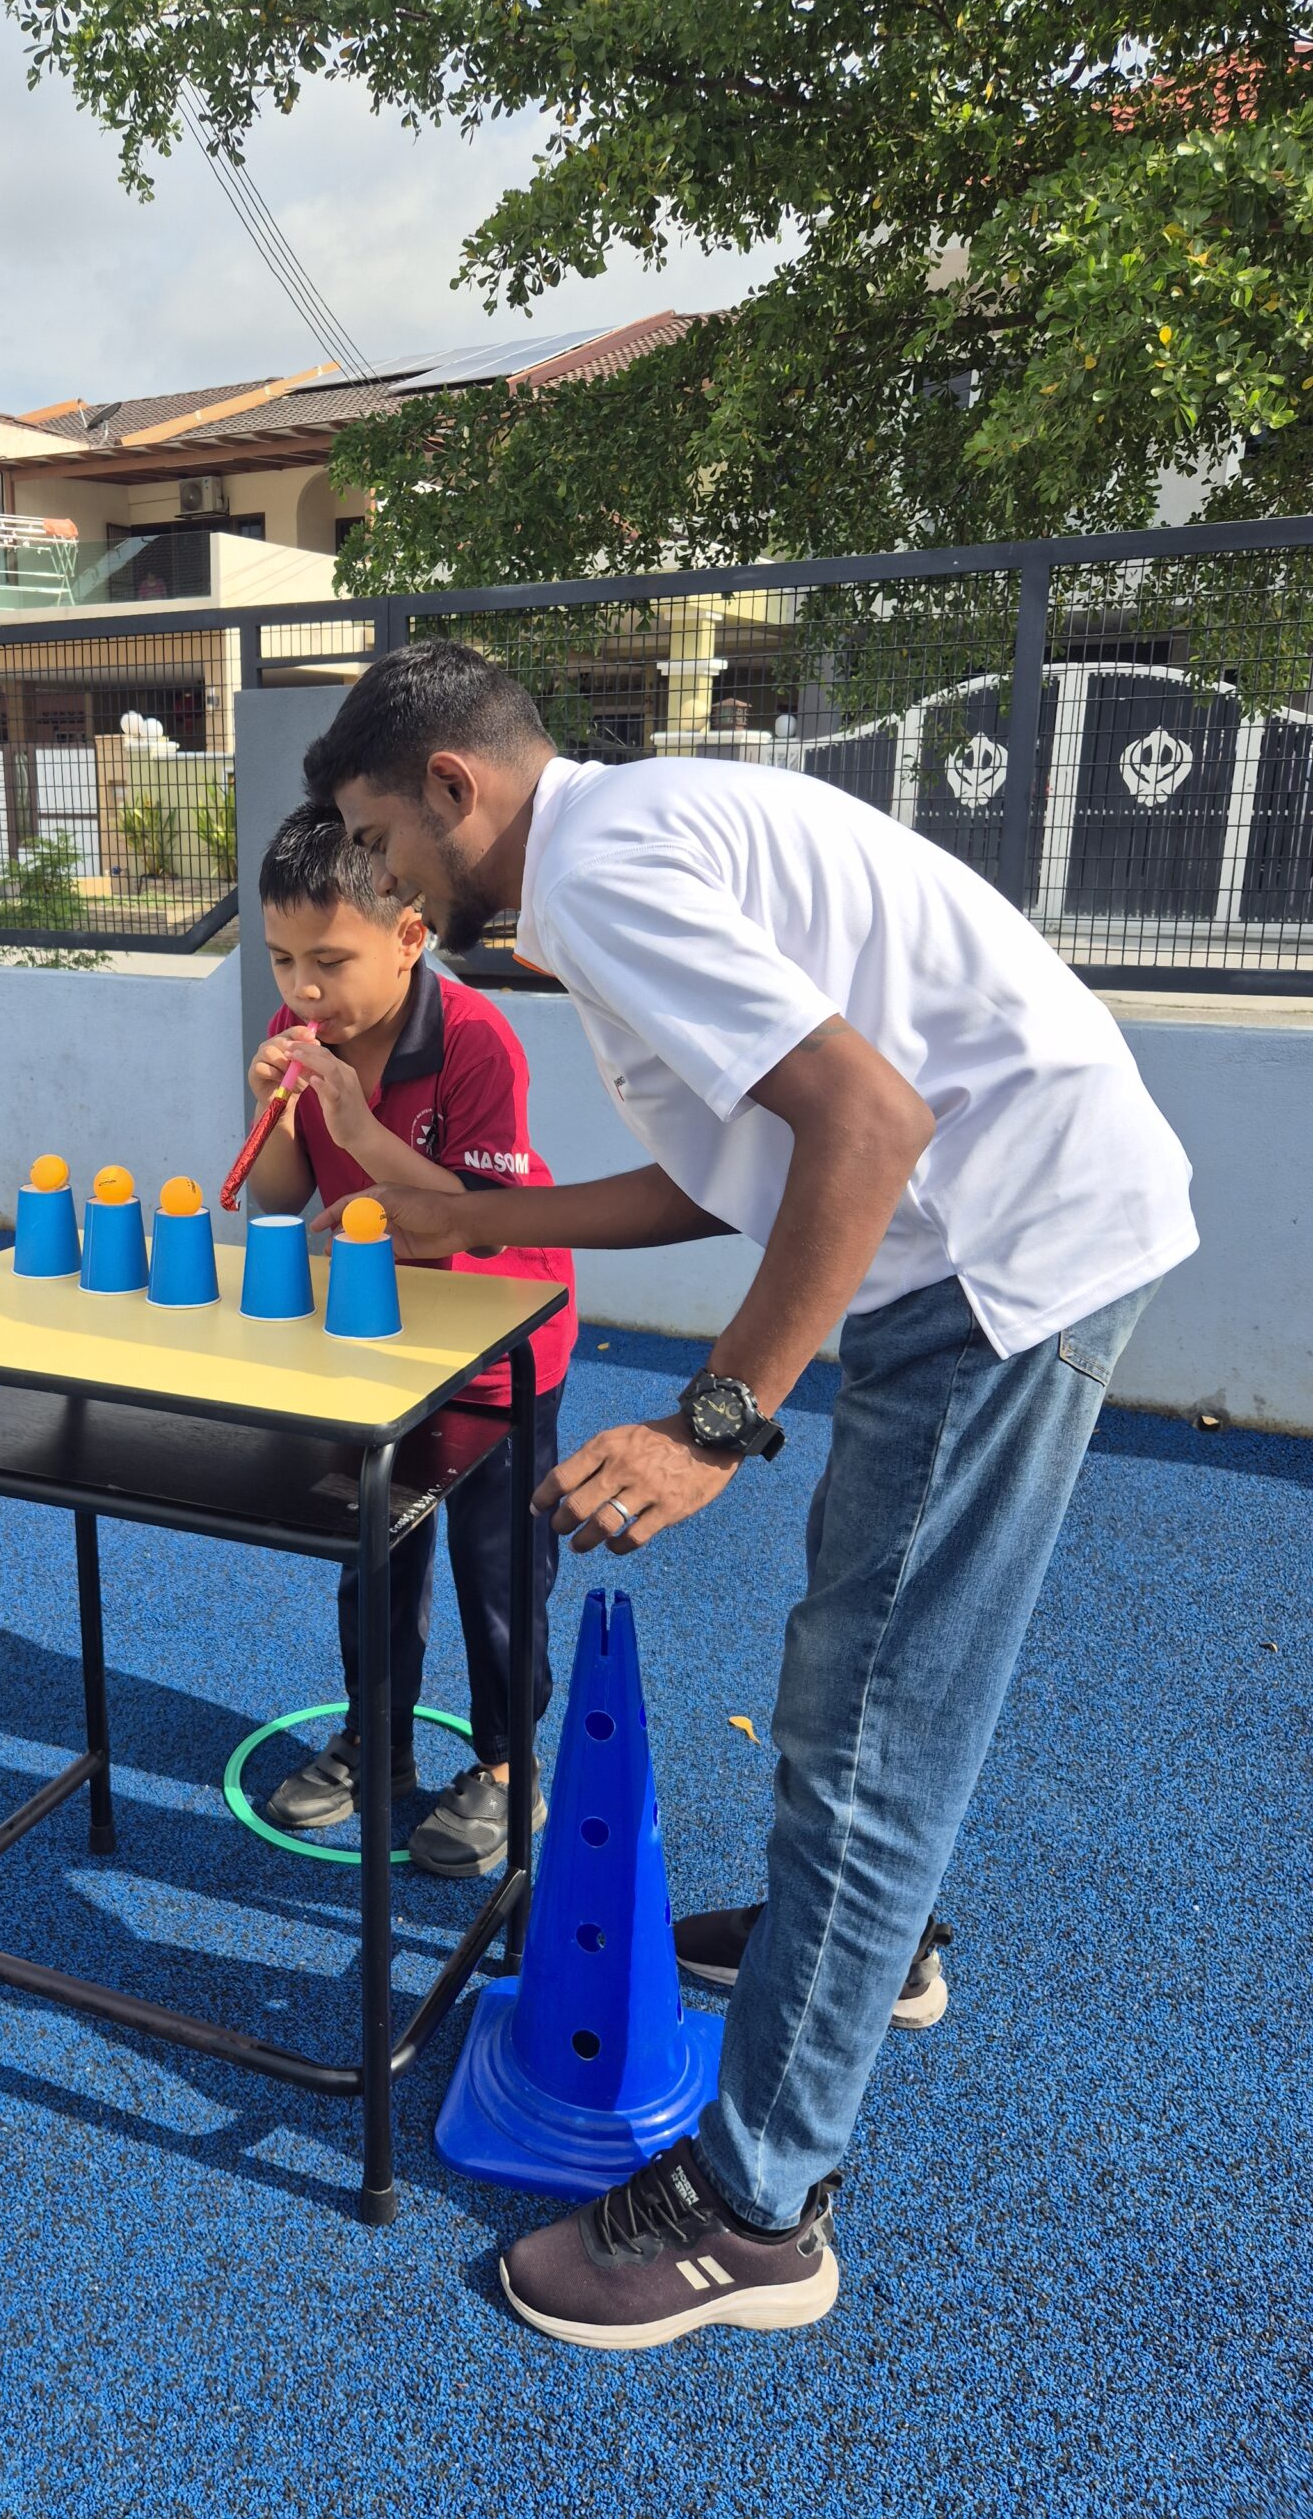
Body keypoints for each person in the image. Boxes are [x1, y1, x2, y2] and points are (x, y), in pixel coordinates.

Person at [303, 641, 1197, 2349]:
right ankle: (867, 1941)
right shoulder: (625, 844)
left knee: (865, 1722)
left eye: (385, 841)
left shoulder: (602, 872)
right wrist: (479, 1217)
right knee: (863, 1674)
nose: (386, 881)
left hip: (998, 1256)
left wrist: (714, 1424)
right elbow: (746, 1167)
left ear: (452, 787)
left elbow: (865, 1122)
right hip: (1006, 1220)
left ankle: (756, 2210)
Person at [247, 803, 577, 1877]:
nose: (303, 990)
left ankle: (506, 1765)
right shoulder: (302, 1035)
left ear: (409, 935)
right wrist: (280, 1115)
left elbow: (484, 1216)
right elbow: (279, 1199)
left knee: (499, 1569)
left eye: (329, 961)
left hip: (500, 1344)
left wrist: (356, 1127)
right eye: (283, 959)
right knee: (375, 1553)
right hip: (378, 1338)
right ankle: (375, 1739)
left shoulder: (476, 1040)